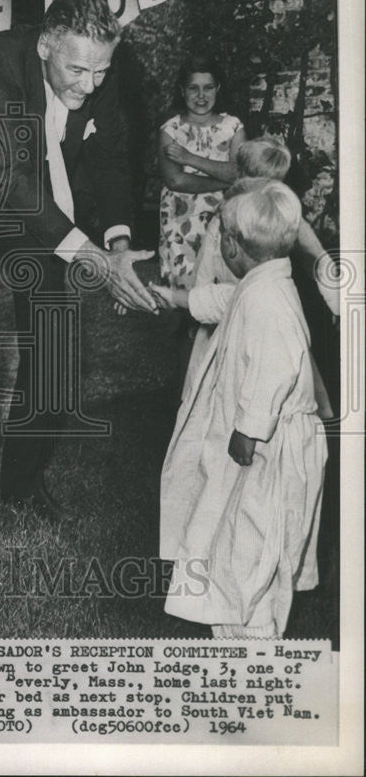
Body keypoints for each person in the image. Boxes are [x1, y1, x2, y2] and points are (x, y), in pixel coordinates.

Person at [0, 0, 158, 566]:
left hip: (41, 206)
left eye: (101, 70)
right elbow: (3, 175)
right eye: (76, 68)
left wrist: (117, 244)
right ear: (45, 46)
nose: (90, 84)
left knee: (56, 345)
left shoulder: (97, 71)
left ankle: (21, 479)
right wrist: (87, 253)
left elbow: (112, 158)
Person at [155, 180, 327, 638]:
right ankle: (233, 636)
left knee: (256, 551)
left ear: (232, 245)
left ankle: (255, 649)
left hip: (268, 453)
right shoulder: (262, 283)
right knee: (231, 543)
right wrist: (172, 297)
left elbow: (277, 367)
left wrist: (247, 429)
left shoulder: (267, 301)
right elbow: (222, 302)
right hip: (256, 452)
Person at [184, 138, 339, 413]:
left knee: (265, 391)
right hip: (227, 314)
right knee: (223, 396)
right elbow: (319, 261)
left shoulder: (283, 216)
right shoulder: (228, 215)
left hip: (255, 314)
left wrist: (341, 303)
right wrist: (196, 306)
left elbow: (317, 259)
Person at [158, 53, 245, 290]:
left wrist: (189, 158)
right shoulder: (171, 130)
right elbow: (175, 180)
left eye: (208, 88)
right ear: (182, 90)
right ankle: (187, 327)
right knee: (185, 286)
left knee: (223, 287)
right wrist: (224, 179)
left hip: (223, 215)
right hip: (181, 219)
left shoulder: (233, 127)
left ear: (218, 88)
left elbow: (239, 172)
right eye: (193, 88)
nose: (201, 96)